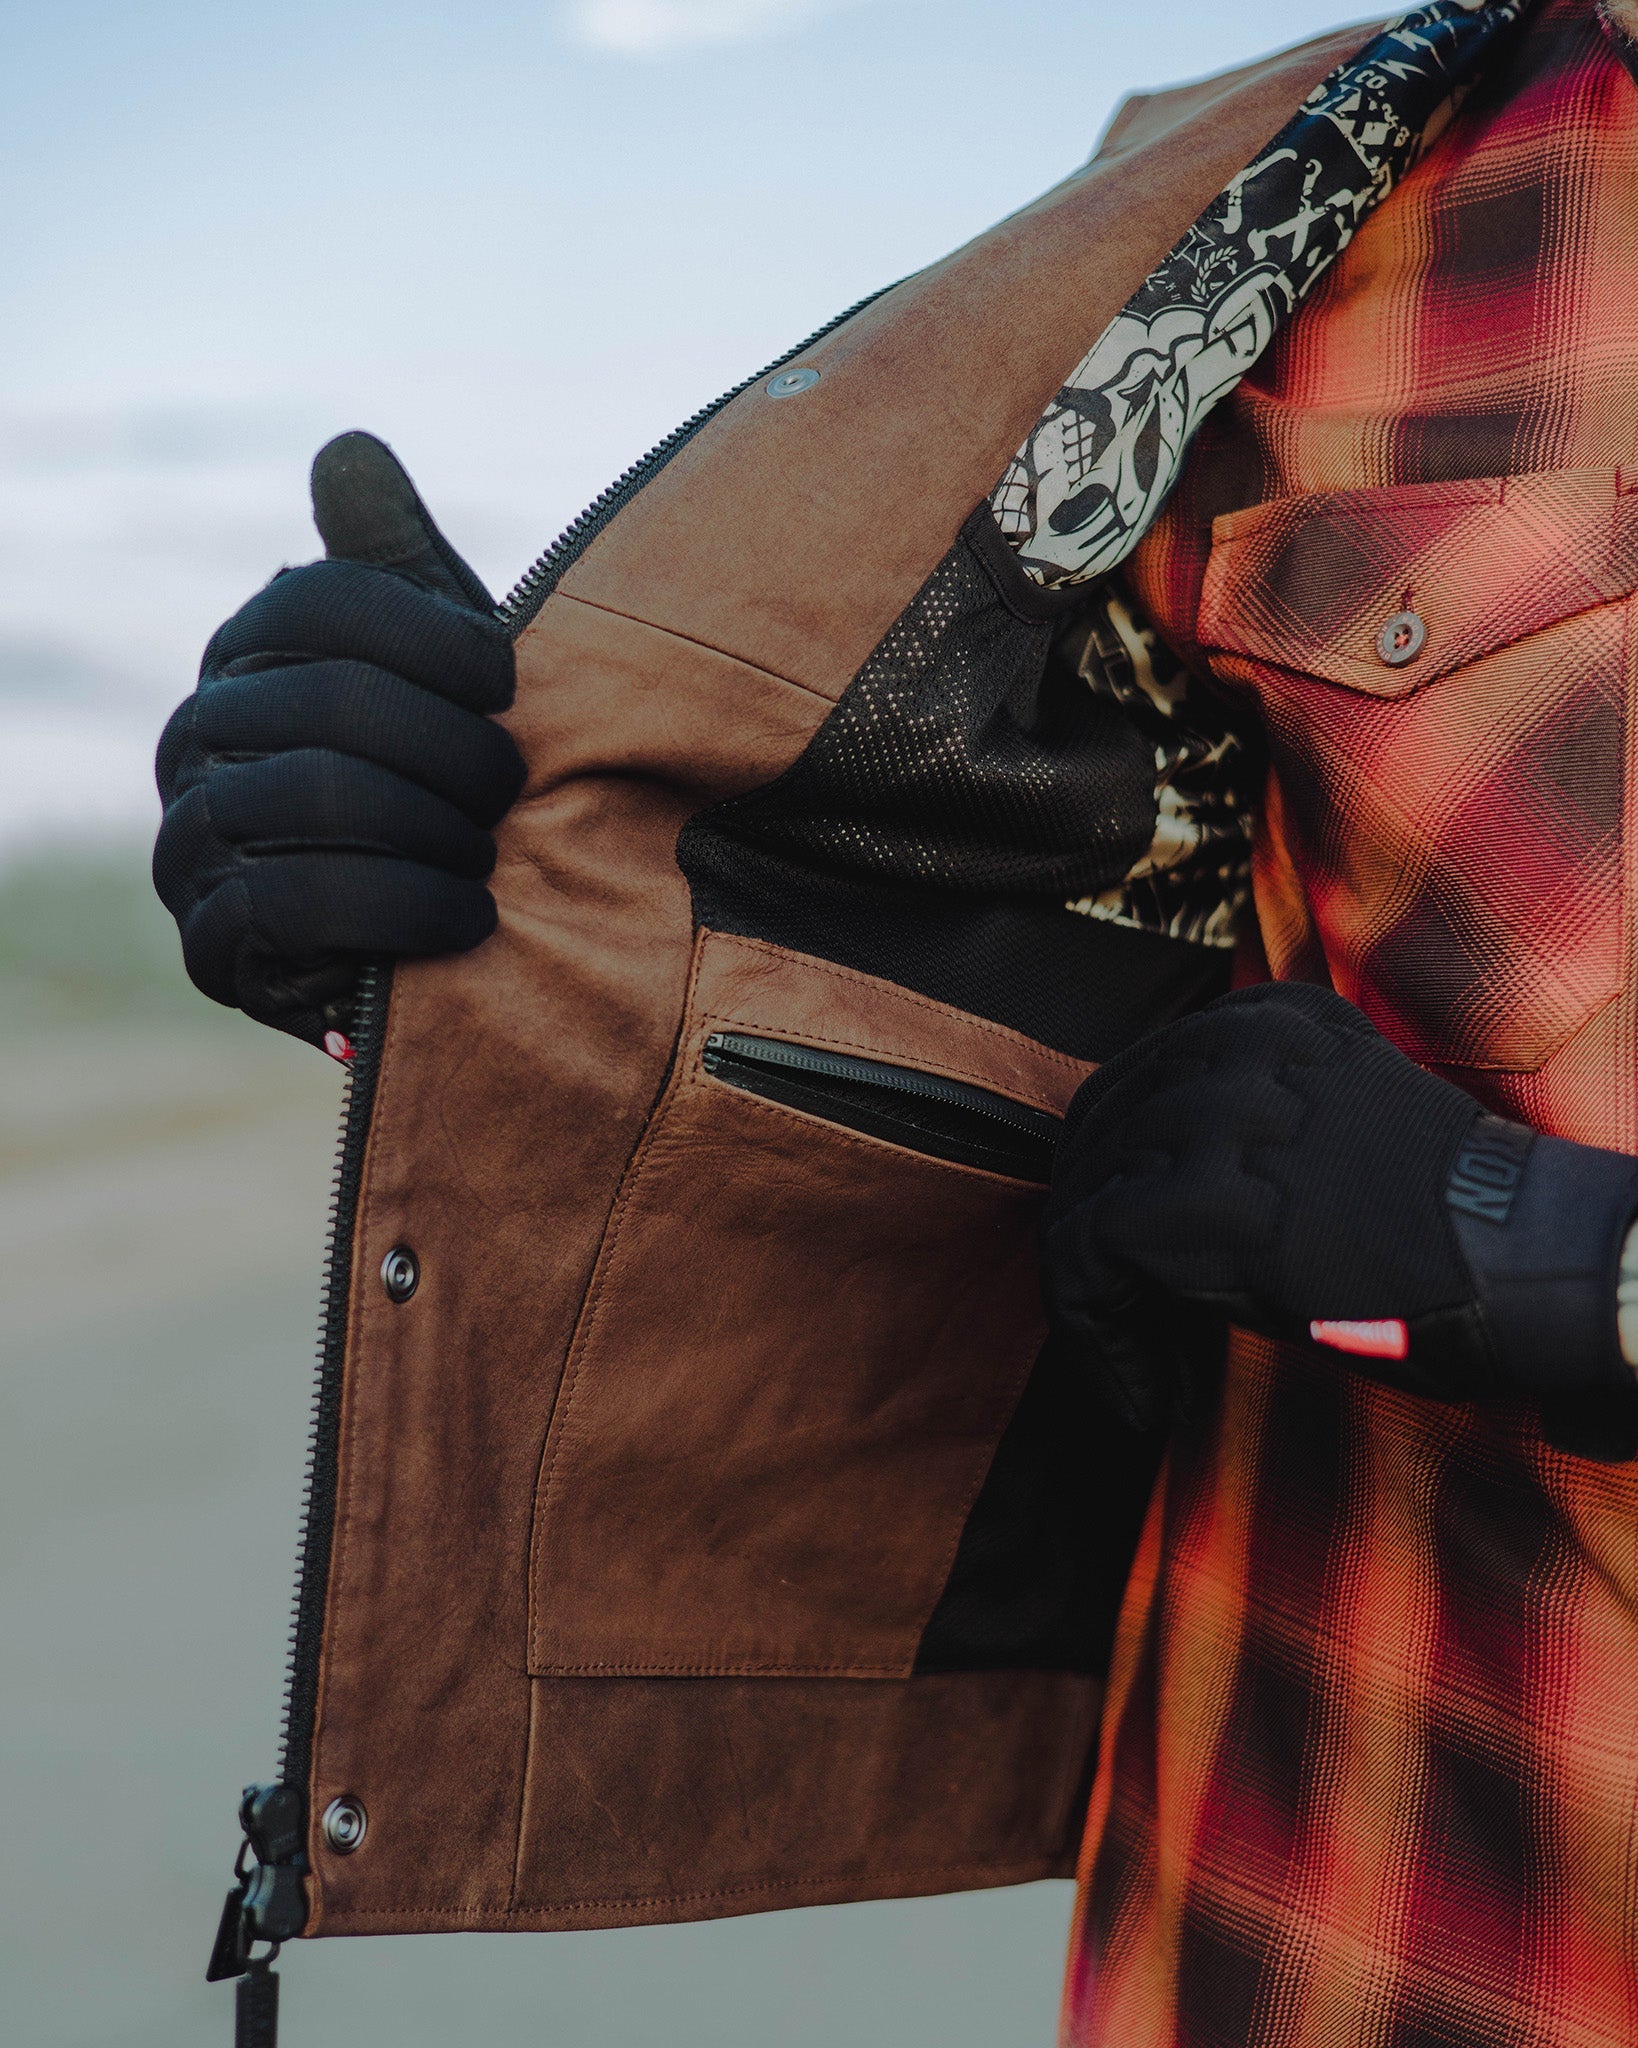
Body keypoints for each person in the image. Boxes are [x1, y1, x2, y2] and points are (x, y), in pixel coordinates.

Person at [154, 3, 1638, 2043]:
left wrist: (1586, 1274)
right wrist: (459, 922)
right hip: (1331, 1903)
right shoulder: (1322, 191)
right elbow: (989, 945)